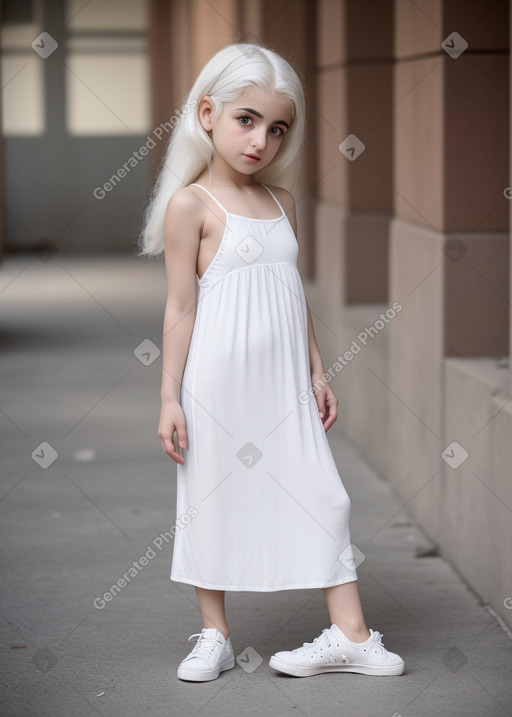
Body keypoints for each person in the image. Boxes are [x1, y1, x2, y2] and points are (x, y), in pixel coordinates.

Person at [137, 41, 404, 682]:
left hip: (283, 384)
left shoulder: (284, 202)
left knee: (323, 496)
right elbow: (180, 308)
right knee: (210, 498)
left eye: (277, 128)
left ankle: (352, 636)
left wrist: (316, 370)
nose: (261, 140)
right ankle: (214, 636)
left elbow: (292, 293)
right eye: (246, 120)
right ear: (208, 114)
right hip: (216, 383)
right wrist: (170, 396)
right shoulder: (191, 207)